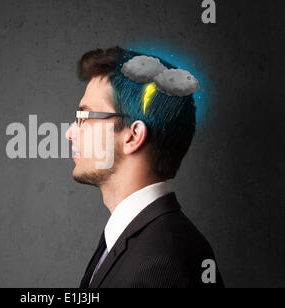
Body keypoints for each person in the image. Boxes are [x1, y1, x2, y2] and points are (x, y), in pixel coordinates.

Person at [64, 46, 224, 288]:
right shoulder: (128, 236)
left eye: (84, 118)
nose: (69, 133)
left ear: (133, 136)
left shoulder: (165, 263)